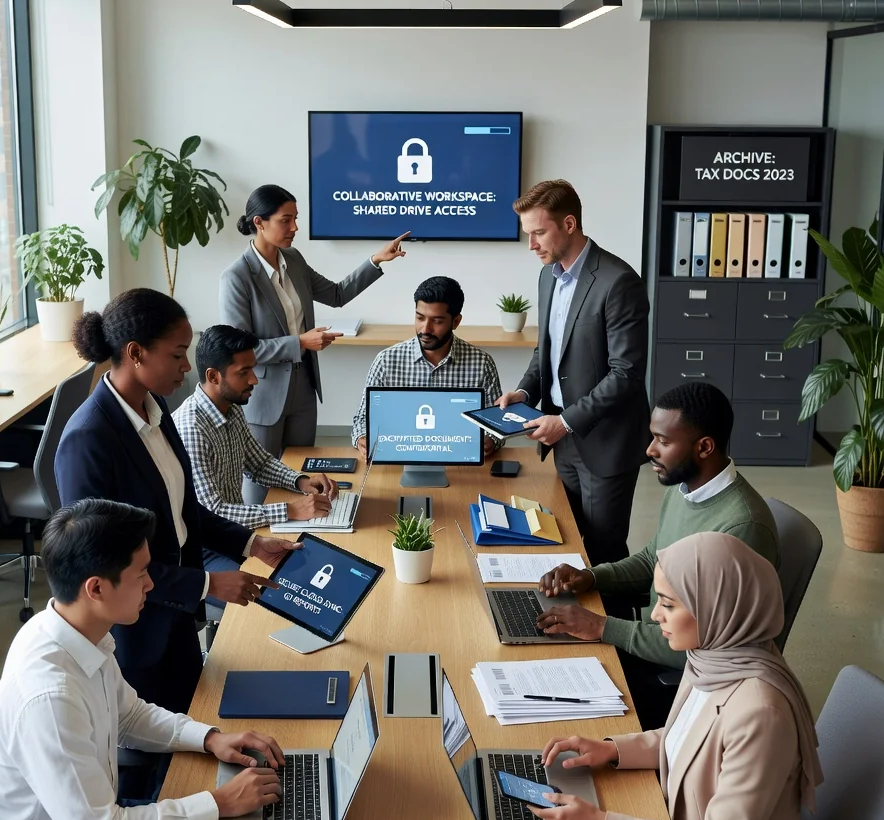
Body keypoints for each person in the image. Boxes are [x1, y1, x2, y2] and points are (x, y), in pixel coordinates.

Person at [0, 498, 284, 820]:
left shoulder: (75, 632)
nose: (152, 583)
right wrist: (218, 801)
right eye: (141, 573)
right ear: (96, 587)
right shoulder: (49, 695)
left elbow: (130, 716)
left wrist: (211, 737)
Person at [531, 532, 823, 820]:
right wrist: (612, 748)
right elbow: (688, 735)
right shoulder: (714, 654)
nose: (654, 616)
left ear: (715, 607)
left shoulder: (761, 710)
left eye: (668, 605)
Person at [55, 288, 299, 715]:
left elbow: (181, 510)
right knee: (153, 757)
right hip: (133, 630)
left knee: (193, 718)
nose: (188, 367)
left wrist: (250, 544)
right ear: (136, 353)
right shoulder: (89, 439)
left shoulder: (155, 408)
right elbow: (100, 565)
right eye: (178, 354)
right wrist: (206, 584)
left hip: (175, 614)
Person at [535, 382, 779, 730]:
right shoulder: (686, 488)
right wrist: (590, 576)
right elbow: (653, 559)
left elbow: (702, 646)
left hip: (682, 679)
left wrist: (602, 626)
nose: (649, 450)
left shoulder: (740, 528)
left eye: (663, 441)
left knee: (556, 704)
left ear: (704, 447)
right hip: (648, 640)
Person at [219, 184, 408, 502]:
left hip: (304, 387)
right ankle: (254, 549)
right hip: (263, 395)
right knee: (258, 482)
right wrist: (300, 343)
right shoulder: (237, 277)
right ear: (259, 223)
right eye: (285, 220)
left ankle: (302, 542)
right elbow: (240, 350)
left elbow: (336, 294)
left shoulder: (292, 260)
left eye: (296, 219)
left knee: (303, 475)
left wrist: (376, 260)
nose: (294, 228)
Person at [497, 179, 650, 566]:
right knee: (564, 539)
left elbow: (627, 373)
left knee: (604, 553)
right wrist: (525, 394)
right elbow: (546, 351)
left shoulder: (618, 282)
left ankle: (615, 626)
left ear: (569, 224)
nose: (531, 245)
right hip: (562, 441)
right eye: (527, 234)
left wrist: (565, 421)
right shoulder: (548, 276)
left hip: (605, 444)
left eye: (538, 233)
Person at [173, 324, 339, 533]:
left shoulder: (231, 407)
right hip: (207, 543)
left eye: (252, 368)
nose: (254, 379)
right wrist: (289, 511)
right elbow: (213, 513)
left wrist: (301, 481)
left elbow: (259, 464)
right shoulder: (191, 429)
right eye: (244, 372)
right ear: (214, 376)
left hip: (234, 531)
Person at [351, 276, 503, 459]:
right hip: (401, 456)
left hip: (459, 458)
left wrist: (490, 440)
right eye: (420, 318)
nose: (425, 329)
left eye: (437, 321)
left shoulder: (481, 363)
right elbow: (362, 419)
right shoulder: (386, 360)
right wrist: (362, 437)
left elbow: (497, 424)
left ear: (456, 321)